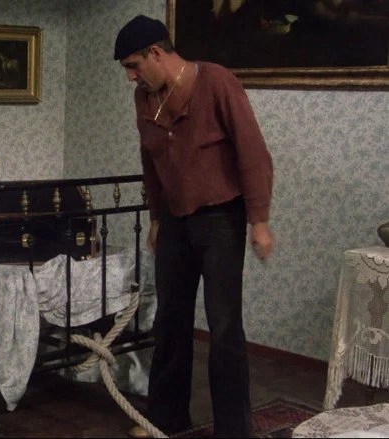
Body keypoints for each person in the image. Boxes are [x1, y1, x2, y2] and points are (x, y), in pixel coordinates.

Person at [114, 15, 275, 438]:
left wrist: (259, 220)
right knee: (169, 320)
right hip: (173, 219)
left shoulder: (217, 82)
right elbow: (150, 160)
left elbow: (253, 152)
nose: (130, 76)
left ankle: (233, 430)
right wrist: (155, 217)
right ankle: (166, 420)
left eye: (133, 65)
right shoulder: (144, 97)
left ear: (156, 53)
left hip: (221, 218)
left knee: (223, 327)